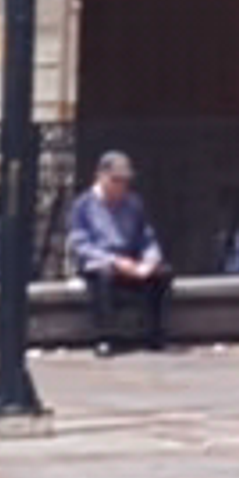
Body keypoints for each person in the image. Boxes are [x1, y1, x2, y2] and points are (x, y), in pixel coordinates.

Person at [64, 146, 172, 353]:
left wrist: (150, 260)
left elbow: (146, 236)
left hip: (130, 260)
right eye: (115, 180)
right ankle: (104, 336)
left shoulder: (133, 203)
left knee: (162, 275)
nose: (120, 187)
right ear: (101, 177)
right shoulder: (83, 205)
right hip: (101, 262)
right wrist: (113, 261)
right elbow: (81, 243)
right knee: (103, 277)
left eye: (124, 181)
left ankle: (155, 333)